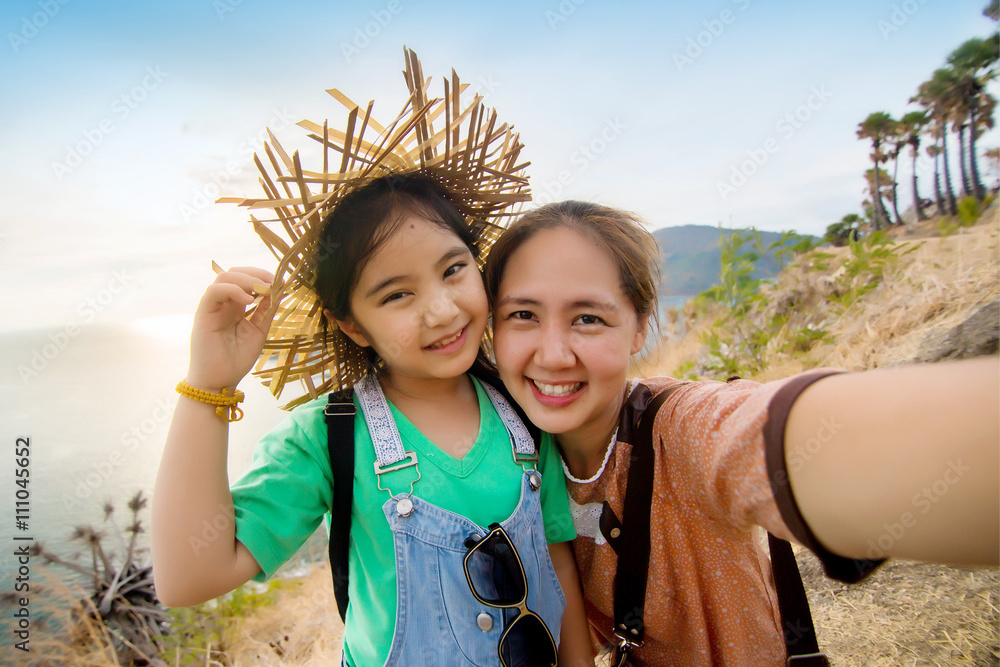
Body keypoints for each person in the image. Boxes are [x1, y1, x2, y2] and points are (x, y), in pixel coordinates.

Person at [152, 53, 593, 667]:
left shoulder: (523, 409)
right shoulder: (330, 436)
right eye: (397, 295)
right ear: (351, 323)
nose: (441, 311)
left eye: (453, 269)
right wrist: (207, 384)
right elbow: (187, 577)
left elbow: (556, 561)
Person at [482, 200, 999, 666]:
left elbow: (784, 435)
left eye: (588, 318)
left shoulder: (682, 429)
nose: (552, 354)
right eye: (523, 314)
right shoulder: (511, 457)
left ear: (640, 328)